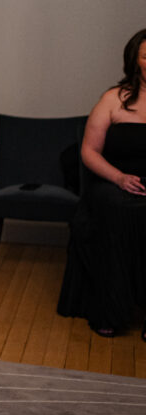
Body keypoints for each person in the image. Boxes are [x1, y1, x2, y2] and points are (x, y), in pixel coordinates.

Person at [58, 29, 146, 339]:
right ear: (135, 61)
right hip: (112, 180)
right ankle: (111, 310)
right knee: (117, 209)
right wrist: (120, 178)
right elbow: (88, 152)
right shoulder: (114, 98)